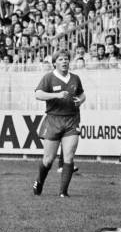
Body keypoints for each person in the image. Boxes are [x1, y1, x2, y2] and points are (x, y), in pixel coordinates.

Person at [32, 50, 86, 198]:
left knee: (69, 156)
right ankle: (39, 181)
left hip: (71, 120)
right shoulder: (49, 78)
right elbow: (38, 94)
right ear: (55, 62)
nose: (64, 61)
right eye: (61, 59)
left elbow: (82, 94)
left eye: (66, 59)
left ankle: (63, 192)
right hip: (53, 120)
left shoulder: (75, 78)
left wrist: (80, 100)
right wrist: (56, 95)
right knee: (48, 160)